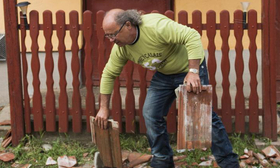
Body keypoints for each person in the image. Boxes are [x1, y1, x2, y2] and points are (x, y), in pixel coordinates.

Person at [94, 9, 240, 168]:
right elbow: (108, 74)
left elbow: (192, 36)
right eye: (108, 36)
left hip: (188, 69)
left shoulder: (155, 26)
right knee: (150, 113)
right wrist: (103, 108)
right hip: (164, 75)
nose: (111, 40)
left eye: (113, 34)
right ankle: (162, 161)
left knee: (202, 117)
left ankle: (229, 163)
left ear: (128, 25)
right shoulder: (121, 48)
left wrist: (193, 72)